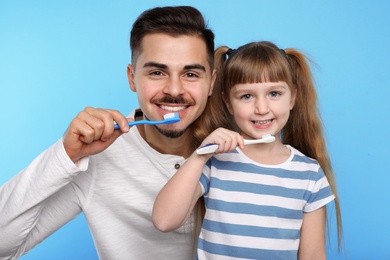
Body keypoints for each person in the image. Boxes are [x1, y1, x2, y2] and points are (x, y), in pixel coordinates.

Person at [0, 6, 230, 259]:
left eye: (190, 74)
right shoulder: (98, 156)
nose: (174, 90)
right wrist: (65, 155)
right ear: (132, 78)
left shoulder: (239, 148)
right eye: (156, 72)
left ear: (211, 82)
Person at [153, 41, 343, 259]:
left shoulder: (309, 174)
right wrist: (199, 157)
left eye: (274, 93)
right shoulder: (213, 161)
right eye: (246, 96)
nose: (262, 109)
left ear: (293, 97)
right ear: (228, 102)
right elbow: (164, 221)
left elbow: (313, 256)